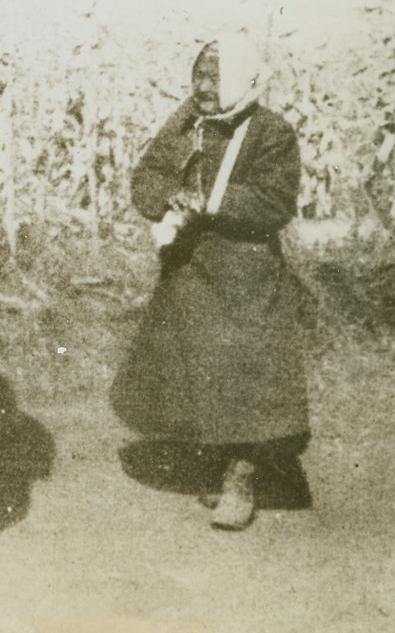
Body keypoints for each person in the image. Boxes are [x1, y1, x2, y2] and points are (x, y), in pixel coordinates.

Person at [110, 34, 313, 531]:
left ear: (242, 78)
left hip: (246, 272)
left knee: (245, 377)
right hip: (191, 269)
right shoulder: (188, 122)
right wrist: (171, 197)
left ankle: (242, 477)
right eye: (198, 74)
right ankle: (219, 460)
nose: (202, 86)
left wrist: (213, 202)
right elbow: (148, 174)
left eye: (214, 77)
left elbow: (275, 202)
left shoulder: (271, 132)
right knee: (197, 372)